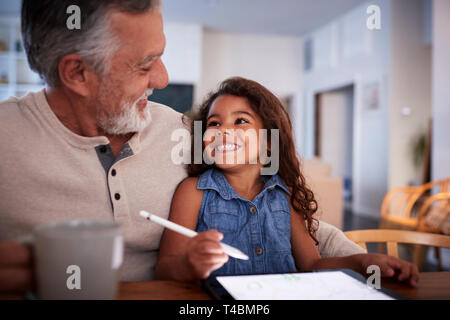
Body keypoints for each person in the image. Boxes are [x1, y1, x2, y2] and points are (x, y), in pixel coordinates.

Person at [0, 0, 372, 294]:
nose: (162, 78)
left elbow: (275, 214)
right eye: (145, 65)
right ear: (77, 73)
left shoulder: (185, 133)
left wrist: (363, 263)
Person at [155, 77, 419, 286]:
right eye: (214, 123)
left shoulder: (284, 195)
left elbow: (311, 266)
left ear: (269, 143)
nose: (223, 130)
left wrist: (361, 262)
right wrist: (189, 264)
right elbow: (165, 267)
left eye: (240, 121)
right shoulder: (193, 192)